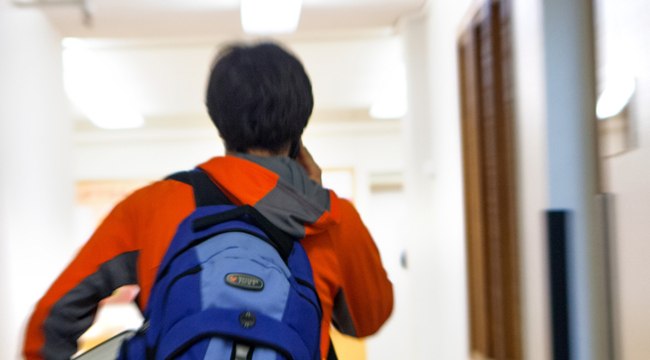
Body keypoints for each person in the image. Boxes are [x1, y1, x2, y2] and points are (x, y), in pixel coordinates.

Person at [22, 42, 394, 360]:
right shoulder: (333, 217)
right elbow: (368, 319)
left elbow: (50, 319)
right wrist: (313, 198)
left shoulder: (152, 206)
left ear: (218, 121)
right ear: (299, 128)